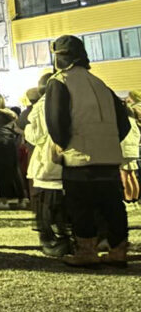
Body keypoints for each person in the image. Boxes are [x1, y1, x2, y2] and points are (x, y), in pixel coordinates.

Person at [45, 35, 131, 267]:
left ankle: (87, 251)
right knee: (112, 205)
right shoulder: (101, 84)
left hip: (79, 156)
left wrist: (63, 144)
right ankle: (118, 250)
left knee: (80, 205)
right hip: (109, 156)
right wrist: (108, 141)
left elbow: (56, 121)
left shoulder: (60, 81)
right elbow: (125, 124)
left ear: (61, 57)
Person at [24, 76, 72, 257]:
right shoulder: (72, 99)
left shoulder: (42, 106)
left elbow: (36, 136)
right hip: (72, 160)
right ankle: (76, 240)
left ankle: (58, 243)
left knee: (49, 205)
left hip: (49, 162)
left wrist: (26, 131)